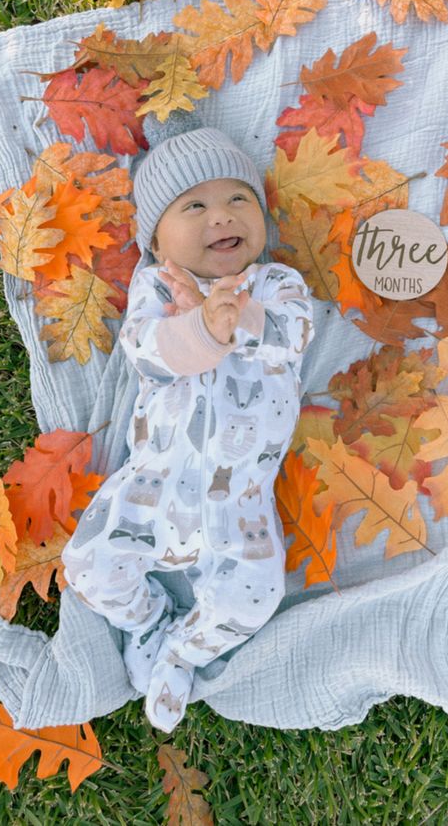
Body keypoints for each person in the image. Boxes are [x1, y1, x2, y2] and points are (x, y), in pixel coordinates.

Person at [61, 117, 315, 733]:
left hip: (241, 501)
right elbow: (149, 352)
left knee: (255, 595)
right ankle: (147, 618)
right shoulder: (155, 287)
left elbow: (291, 339)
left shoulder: (276, 285)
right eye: (194, 206)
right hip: (152, 486)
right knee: (88, 565)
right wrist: (200, 327)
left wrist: (238, 318)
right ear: (156, 243)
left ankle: (183, 650)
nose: (221, 216)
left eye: (237, 199)